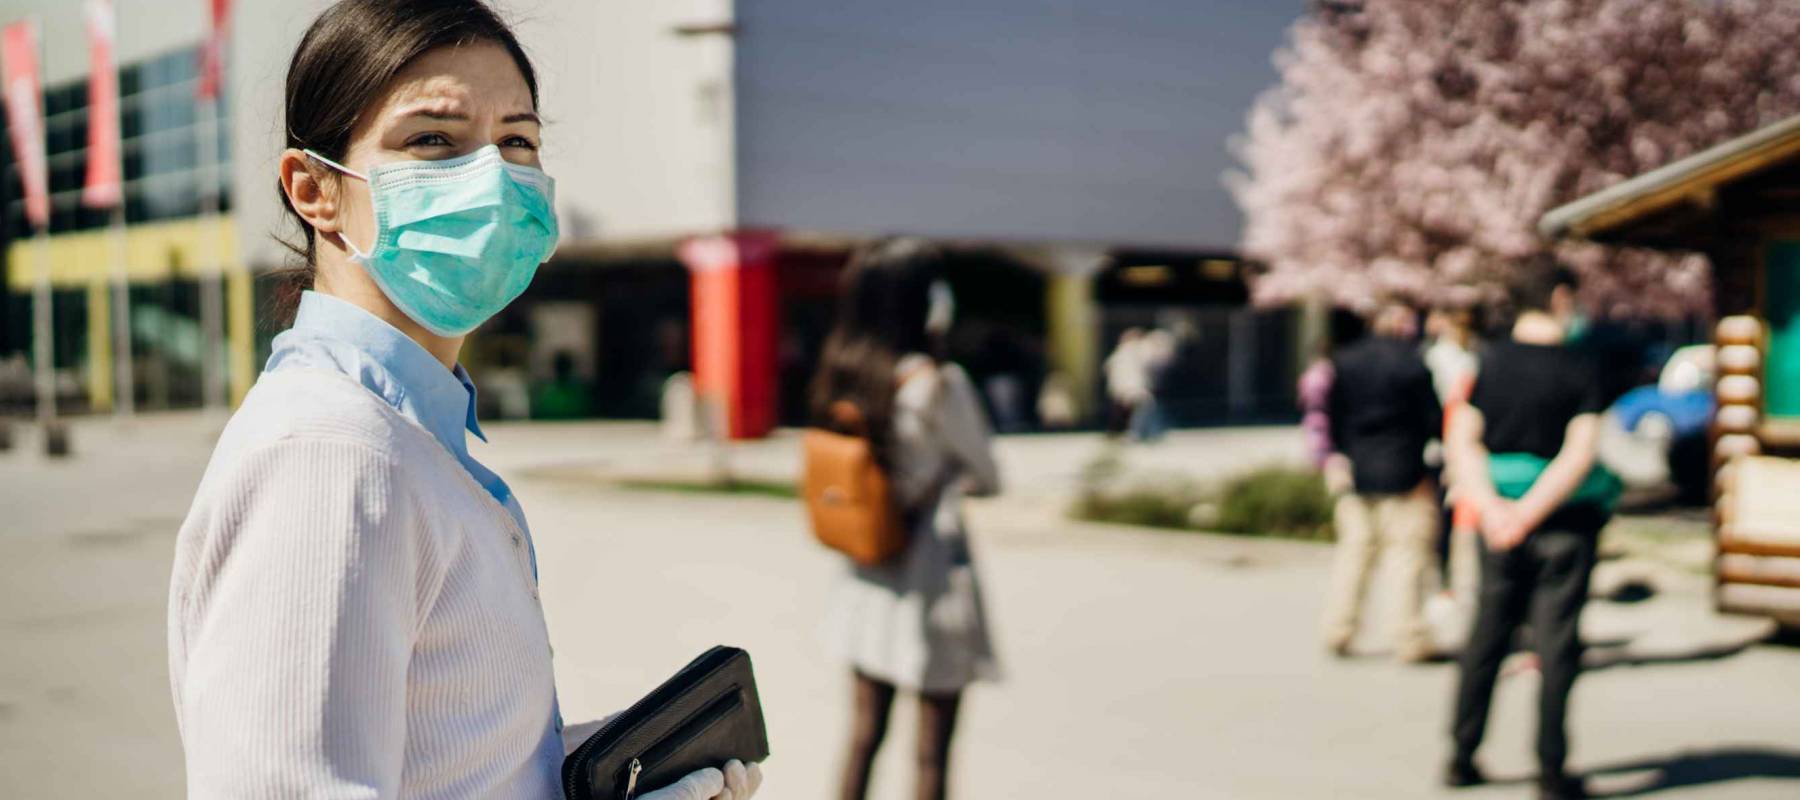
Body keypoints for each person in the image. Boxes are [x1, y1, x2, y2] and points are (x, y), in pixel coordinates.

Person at [165, 3, 761, 798]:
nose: (490, 178)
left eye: (516, 141)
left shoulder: (409, 432)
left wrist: (561, 769)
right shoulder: (331, 454)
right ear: (315, 190)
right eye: (432, 140)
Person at [813, 238, 1001, 800]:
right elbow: (989, 476)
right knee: (930, 753)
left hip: (865, 573)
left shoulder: (842, 373)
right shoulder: (940, 384)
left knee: (864, 735)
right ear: (921, 297)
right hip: (931, 578)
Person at [1445, 260, 1611, 800]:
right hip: (1563, 524)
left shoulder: (1488, 363)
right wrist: (1531, 512)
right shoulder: (1581, 366)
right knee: (1556, 646)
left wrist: (1493, 510)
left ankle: (1461, 754)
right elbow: (1579, 454)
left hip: (1497, 526)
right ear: (1561, 297)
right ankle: (1550, 770)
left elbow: (1463, 440)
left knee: (1486, 638)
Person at [1320, 302, 1443, 662]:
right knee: (1407, 556)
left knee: (1354, 553)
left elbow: (1332, 416)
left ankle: (1339, 627)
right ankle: (1409, 636)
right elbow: (1433, 419)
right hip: (1405, 468)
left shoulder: (1346, 359)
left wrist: (1342, 456)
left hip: (1359, 467)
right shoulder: (1412, 363)